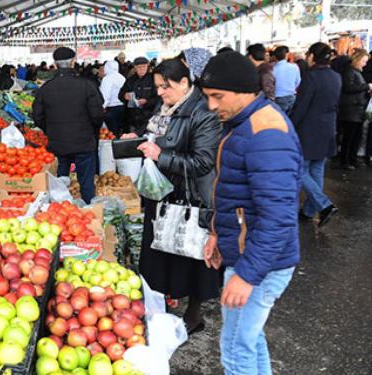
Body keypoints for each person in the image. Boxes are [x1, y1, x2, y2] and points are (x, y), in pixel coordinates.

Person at [199, 51, 303, 375]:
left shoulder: (266, 132)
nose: (212, 106)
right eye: (207, 97)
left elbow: (278, 217)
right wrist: (219, 232)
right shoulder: (245, 123)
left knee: (235, 349)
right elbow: (237, 193)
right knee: (249, 339)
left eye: (218, 96)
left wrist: (246, 275)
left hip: (260, 263)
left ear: (245, 90)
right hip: (249, 255)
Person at [122, 58, 221, 334]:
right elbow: (157, 134)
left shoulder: (203, 113)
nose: (160, 92)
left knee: (190, 253)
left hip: (188, 197)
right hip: (162, 193)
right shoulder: (165, 106)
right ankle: (162, 305)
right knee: (162, 251)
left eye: (165, 86)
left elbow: (203, 162)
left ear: (184, 83)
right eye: (157, 87)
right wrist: (140, 137)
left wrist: (161, 156)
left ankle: (193, 315)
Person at [33, 47, 103, 204]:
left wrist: (50, 130)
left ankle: (60, 214)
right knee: (86, 183)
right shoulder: (87, 86)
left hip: (57, 144)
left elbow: (37, 116)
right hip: (84, 143)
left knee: (59, 184)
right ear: (73, 63)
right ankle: (89, 214)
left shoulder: (46, 89)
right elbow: (97, 115)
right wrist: (90, 131)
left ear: (55, 65)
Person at [290, 42, 341, 227]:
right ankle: (310, 211)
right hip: (327, 127)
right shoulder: (336, 76)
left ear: (312, 56)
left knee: (299, 170)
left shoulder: (311, 77)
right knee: (317, 169)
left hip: (308, 129)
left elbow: (301, 106)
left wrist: (290, 126)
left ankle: (325, 205)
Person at [338, 49, 371, 170]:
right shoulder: (349, 72)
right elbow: (348, 88)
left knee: (355, 136)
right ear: (357, 60)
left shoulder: (355, 72)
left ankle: (351, 159)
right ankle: (345, 161)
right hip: (351, 109)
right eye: (363, 61)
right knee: (350, 136)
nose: (365, 64)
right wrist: (366, 86)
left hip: (356, 109)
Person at [119, 57, 158, 135]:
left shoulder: (154, 79)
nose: (141, 69)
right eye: (138, 67)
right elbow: (120, 95)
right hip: (133, 119)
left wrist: (147, 101)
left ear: (148, 66)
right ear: (135, 68)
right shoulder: (130, 80)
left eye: (143, 67)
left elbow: (160, 98)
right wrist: (124, 96)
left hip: (150, 118)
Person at [272, 45, 301, 116]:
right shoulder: (295, 67)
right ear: (286, 55)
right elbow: (298, 82)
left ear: (275, 56)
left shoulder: (272, 69)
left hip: (277, 98)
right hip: (292, 97)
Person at [100, 60, 126, 137]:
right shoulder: (122, 77)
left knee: (112, 133)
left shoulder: (107, 79)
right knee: (120, 130)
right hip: (122, 107)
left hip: (111, 108)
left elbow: (105, 95)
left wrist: (102, 107)